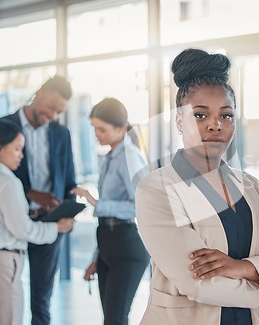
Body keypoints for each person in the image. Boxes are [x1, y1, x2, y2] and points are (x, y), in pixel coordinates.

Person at [135, 48, 259, 325]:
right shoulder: (156, 189)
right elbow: (198, 283)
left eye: (226, 116)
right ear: (179, 121)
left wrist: (242, 268)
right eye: (200, 115)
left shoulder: (250, 186)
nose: (215, 125)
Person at [0, 75, 76, 325]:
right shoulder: (1, 127)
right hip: (10, 221)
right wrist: (31, 193)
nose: (53, 115)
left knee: (41, 300)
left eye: (59, 111)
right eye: (51, 107)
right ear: (39, 93)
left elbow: (69, 181)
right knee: (3, 297)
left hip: (49, 223)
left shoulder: (61, 133)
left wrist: (69, 210)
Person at [0, 119, 74, 325]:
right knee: (8, 320)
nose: (21, 156)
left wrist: (31, 212)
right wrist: (56, 227)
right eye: (16, 149)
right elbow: (23, 230)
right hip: (4, 263)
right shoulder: (9, 182)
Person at [70, 98, 150, 325]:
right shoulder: (108, 158)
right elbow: (106, 221)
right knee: (111, 319)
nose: (97, 134)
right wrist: (96, 258)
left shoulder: (129, 156)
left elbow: (141, 205)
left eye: (102, 129)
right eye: (95, 128)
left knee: (115, 319)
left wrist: (95, 202)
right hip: (108, 243)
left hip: (126, 247)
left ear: (120, 128)